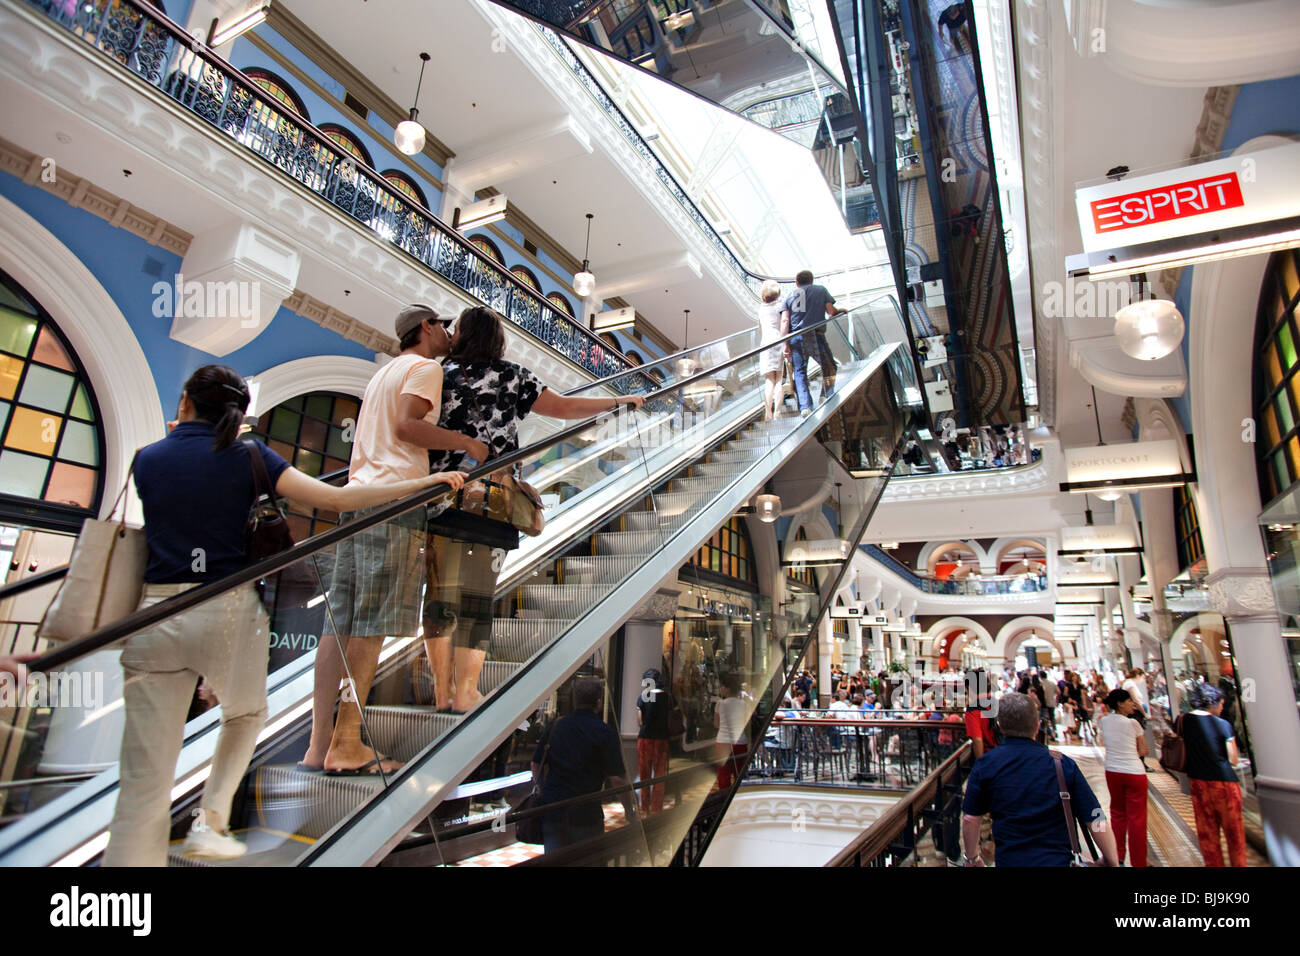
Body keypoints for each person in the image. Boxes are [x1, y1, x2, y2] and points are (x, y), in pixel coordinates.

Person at [104, 365, 465, 865]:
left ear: (185, 402)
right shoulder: (249, 455)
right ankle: (210, 820)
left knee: (143, 774)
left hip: (156, 611)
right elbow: (338, 498)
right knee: (246, 713)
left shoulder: (147, 459)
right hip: (228, 609)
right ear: (237, 411)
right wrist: (421, 484)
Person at [424, 306, 645, 713]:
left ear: (461, 335)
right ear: (497, 340)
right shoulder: (513, 376)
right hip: (491, 502)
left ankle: (440, 692)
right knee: (476, 599)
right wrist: (618, 402)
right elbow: (563, 408)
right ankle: (466, 692)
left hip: (441, 497)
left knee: (439, 598)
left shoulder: (440, 375)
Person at [306, 304, 483, 776]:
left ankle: (317, 743)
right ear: (425, 329)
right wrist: (463, 443)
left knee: (338, 625)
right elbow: (408, 426)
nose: (448, 335)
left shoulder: (382, 374)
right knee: (371, 623)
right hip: (394, 503)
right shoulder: (425, 367)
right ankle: (346, 743)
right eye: (443, 327)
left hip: (358, 500)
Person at [960, 693, 1119, 867]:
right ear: (1037, 726)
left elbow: (970, 819)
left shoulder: (986, 765)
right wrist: (1110, 859)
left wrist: (972, 858)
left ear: (1000, 726)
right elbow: (1095, 818)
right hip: (1057, 861)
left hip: (1010, 860)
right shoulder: (1062, 764)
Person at [531, 677, 634, 854]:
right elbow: (617, 778)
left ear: (574, 700)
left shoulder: (556, 726)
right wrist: (629, 810)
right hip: (586, 813)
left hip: (553, 810)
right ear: (599, 702)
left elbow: (535, 763)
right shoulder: (605, 732)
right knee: (588, 858)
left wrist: (541, 788)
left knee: (555, 860)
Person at [1182, 684, 1247, 867]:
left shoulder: (1185, 721)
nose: (1221, 708)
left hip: (1198, 783)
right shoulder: (1223, 725)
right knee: (1234, 835)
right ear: (1213, 702)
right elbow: (1233, 759)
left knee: (1207, 835)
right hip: (1224, 784)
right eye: (1221, 704)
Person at [780, 270, 847, 416]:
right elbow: (831, 311)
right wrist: (840, 310)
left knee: (799, 372)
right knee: (829, 365)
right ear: (811, 280)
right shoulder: (820, 290)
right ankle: (826, 395)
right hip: (815, 335)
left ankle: (805, 407)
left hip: (795, 337)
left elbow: (785, 321)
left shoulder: (789, 296)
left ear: (797, 283)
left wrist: (785, 344)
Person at [1099, 689, 1149, 867]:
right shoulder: (1133, 724)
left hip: (1112, 771)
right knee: (1137, 819)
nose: (1132, 704)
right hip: (1134, 773)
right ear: (1120, 703)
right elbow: (1144, 750)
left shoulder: (1103, 721)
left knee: (1118, 814)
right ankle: (1139, 861)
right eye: (1129, 701)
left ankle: (1118, 857)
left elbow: (1104, 741)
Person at [635, 668, 673, 814]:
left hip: (645, 739)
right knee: (659, 774)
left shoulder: (643, 697)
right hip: (662, 739)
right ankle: (657, 807)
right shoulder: (668, 698)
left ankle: (645, 807)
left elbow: (640, 721)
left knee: (644, 774)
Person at [755, 279, 786, 420]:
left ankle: (768, 412)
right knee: (779, 379)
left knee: (769, 380)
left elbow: (759, 328)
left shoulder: (761, 309)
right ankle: (777, 412)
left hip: (765, 342)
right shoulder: (780, 306)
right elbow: (785, 323)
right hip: (778, 339)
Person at [713, 675, 749, 790]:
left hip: (723, 741)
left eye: (722, 687)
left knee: (723, 776)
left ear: (727, 689)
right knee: (739, 774)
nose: (721, 689)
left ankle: (724, 800)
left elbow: (716, 724)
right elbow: (746, 724)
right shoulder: (744, 704)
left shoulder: (720, 704)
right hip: (740, 741)